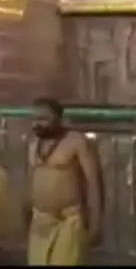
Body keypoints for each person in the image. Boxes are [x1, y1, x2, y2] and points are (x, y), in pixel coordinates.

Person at [25, 98, 103, 265]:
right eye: (35, 119)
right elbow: (31, 180)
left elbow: (94, 182)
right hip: (40, 222)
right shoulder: (33, 144)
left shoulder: (77, 141)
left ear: (58, 119)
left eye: (44, 119)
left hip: (69, 221)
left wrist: (96, 223)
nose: (37, 124)